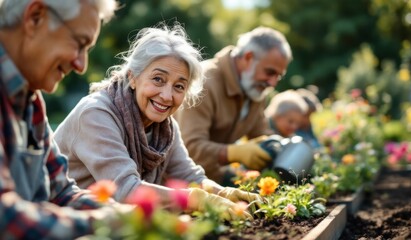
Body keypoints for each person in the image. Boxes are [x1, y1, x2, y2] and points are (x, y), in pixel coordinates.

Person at [54, 24, 261, 218]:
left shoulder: (166, 128)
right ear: (133, 77)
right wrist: (193, 199)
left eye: (179, 86)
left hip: (113, 222)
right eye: (158, 79)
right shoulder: (96, 114)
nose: (167, 95)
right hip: (66, 222)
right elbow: (125, 190)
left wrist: (224, 193)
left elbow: (188, 175)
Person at [0, 0, 137, 239]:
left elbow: (62, 193)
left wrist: (128, 217)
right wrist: (106, 224)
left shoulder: (30, 101)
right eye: (79, 43)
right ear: (35, 18)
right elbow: (4, 216)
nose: (81, 65)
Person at [174, 26, 293, 184]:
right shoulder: (204, 83)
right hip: (179, 185)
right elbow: (190, 149)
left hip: (214, 178)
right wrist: (232, 153)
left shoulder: (254, 88)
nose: (272, 83)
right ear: (248, 57)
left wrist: (278, 147)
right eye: (270, 72)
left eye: (278, 76)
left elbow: (260, 134)